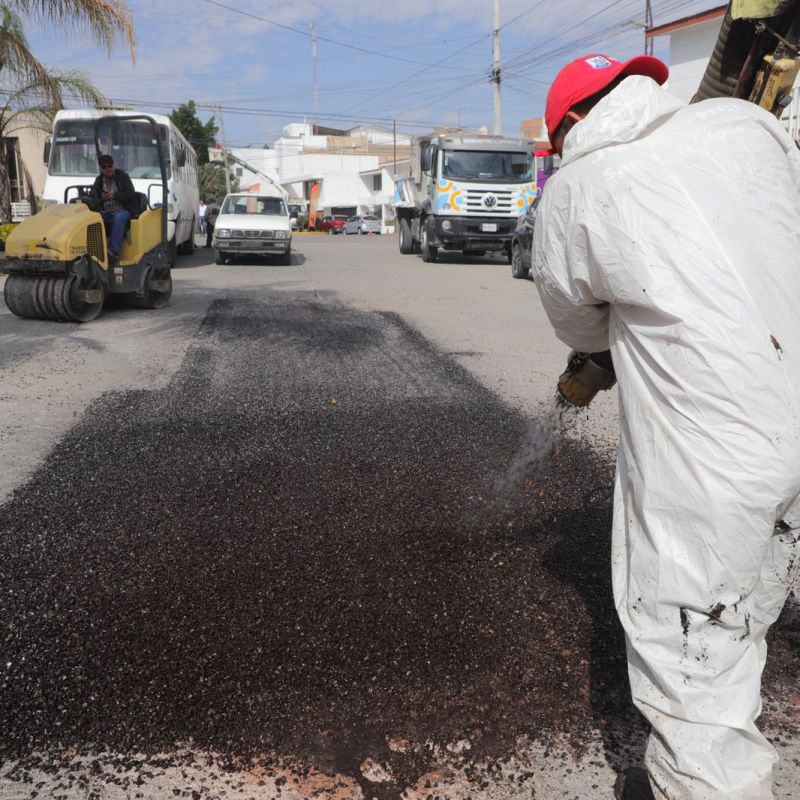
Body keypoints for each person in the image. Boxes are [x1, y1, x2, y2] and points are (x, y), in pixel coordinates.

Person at [532, 53, 800, 800]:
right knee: (761, 595)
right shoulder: (747, 127)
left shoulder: (579, 188)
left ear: (573, 127)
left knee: (698, 666)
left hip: (712, 458)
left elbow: (576, 320)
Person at [92, 154, 138, 260]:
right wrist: (101, 200)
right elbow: (95, 199)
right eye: (104, 167)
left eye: (109, 166)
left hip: (125, 210)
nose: (108, 169)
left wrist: (114, 195)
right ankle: (95, 250)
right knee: (93, 218)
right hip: (107, 212)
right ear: (101, 169)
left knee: (119, 217)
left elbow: (131, 194)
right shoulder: (98, 181)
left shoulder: (123, 177)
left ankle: (113, 251)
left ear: (114, 165)